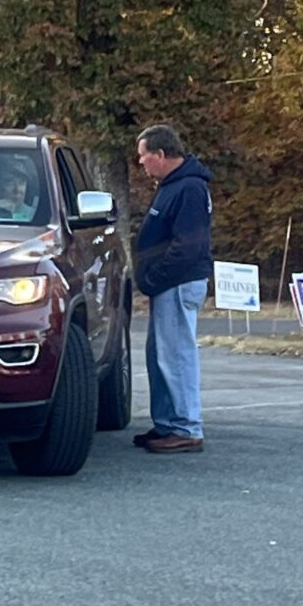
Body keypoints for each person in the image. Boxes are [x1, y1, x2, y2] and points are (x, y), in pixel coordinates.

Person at [132, 124, 213, 453]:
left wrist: (155, 278)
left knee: (176, 355)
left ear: (161, 154)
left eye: (144, 155)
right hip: (169, 284)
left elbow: (188, 246)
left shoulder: (189, 189)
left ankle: (186, 428)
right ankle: (167, 423)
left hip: (177, 283)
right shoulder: (173, 186)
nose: (141, 162)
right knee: (160, 356)